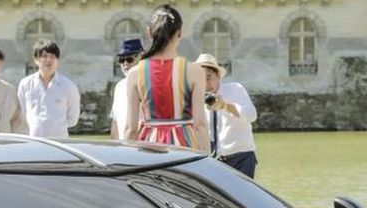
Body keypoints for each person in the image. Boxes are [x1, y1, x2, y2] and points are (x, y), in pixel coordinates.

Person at [122, 5, 208, 150]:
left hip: (148, 147)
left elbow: (131, 128)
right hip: (185, 148)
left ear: (149, 32)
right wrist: (207, 157)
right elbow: (200, 125)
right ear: (180, 32)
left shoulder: (135, 73)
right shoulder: (194, 71)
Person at [195, 53, 258, 178]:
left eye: (208, 77)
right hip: (213, 161)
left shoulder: (235, 89)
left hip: (241, 158)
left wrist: (225, 106)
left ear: (218, 76)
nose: (205, 84)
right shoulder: (196, 100)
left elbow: (252, 115)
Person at [17, 40, 80, 139]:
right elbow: (20, 114)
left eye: (52, 56)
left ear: (57, 60)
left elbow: (73, 118)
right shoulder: (25, 84)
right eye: (44, 56)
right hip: (33, 141)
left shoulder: (68, 86)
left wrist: (55, 127)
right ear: (36, 59)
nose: (49, 60)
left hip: (59, 143)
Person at [110, 38, 143, 140]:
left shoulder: (147, 84)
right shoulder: (119, 86)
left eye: (129, 59)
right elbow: (115, 121)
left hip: (142, 143)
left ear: (141, 58)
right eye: (121, 60)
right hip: (123, 144)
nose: (125, 64)